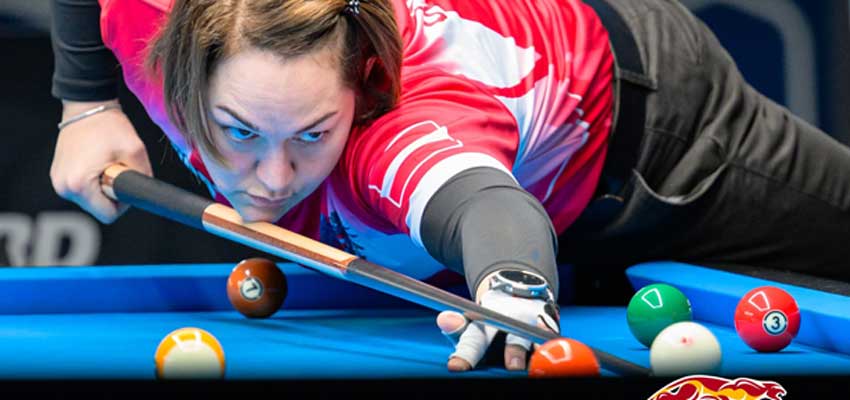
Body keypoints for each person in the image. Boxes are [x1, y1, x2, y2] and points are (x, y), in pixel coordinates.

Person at [49, 0, 850, 373]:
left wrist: (512, 283)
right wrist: (85, 101)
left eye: (313, 134)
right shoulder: (146, 23)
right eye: (240, 131)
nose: (274, 176)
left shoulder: (398, 134)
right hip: (536, 164)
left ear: (360, 91)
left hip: (659, 137)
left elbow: (483, 204)